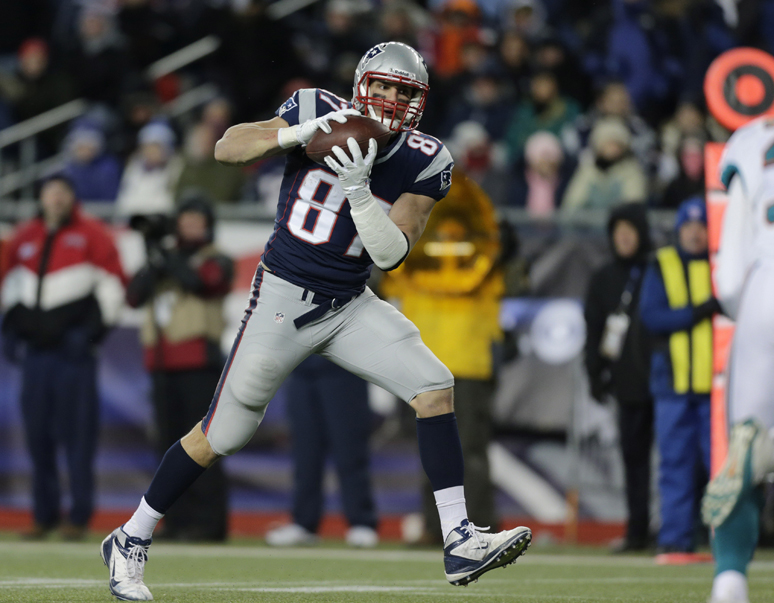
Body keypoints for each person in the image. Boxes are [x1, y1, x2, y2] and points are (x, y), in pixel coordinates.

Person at [100, 41, 531, 601]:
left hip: (350, 304)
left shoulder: (426, 158)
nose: (391, 99)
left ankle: (458, 538)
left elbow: (389, 253)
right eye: (382, 86)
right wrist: (295, 136)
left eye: (404, 91)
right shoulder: (314, 108)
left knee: (434, 386)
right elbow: (227, 149)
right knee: (222, 433)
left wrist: (358, 191)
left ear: (420, 100)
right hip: (282, 296)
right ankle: (131, 536)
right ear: (361, 84)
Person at [701, 108, 774, 602]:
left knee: (746, 446)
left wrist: (745, 302)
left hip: (768, 288)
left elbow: (732, 275)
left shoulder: (754, 136)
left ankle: (730, 584)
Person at [381, 166, 504, 544]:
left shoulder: (488, 255)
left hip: (456, 364)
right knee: (437, 451)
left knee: (466, 451)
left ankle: (478, 527)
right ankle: (440, 531)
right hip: (430, 363)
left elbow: (515, 279)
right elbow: (382, 273)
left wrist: (504, 252)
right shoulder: (476, 253)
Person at [0, 175, 126, 540]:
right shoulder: (24, 235)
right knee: (38, 437)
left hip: (73, 357)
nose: (55, 198)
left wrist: (91, 333)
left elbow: (113, 285)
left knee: (78, 437)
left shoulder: (93, 233)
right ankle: (44, 515)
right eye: (49, 192)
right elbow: (10, 285)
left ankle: (79, 516)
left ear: (72, 197)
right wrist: (10, 330)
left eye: (62, 192)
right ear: (40, 197)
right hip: (36, 356)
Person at [125, 194, 233, 542]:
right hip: (161, 363)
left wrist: (166, 257)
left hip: (200, 362)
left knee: (204, 447)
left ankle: (209, 524)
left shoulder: (215, 258)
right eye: (183, 219)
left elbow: (202, 283)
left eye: (196, 219)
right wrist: (154, 257)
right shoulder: (166, 259)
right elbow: (133, 296)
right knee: (168, 449)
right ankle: (175, 521)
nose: (189, 226)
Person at [639, 197, 720, 554]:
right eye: (688, 226)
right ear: (678, 230)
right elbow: (653, 317)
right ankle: (675, 542)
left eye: (701, 225)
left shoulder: (722, 265)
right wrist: (697, 313)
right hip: (673, 384)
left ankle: (725, 541)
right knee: (674, 466)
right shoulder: (663, 263)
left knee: (720, 469)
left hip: (715, 386)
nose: (694, 232)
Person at [583, 203, 653, 552]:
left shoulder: (657, 271)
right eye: (617, 229)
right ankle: (638, 530)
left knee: (677, 462)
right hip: (628, 386)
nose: (623, 236)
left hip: (666, 382)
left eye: (630, 229)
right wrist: (595, 374)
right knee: (634, 461)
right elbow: (593, 331)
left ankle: (681, 531)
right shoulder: (603, 278)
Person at [264, 356, 378, 548]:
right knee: (305, 452)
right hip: (300, 367)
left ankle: (361, 521)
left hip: (344, 366)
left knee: (349, 449)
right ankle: (304, 523)